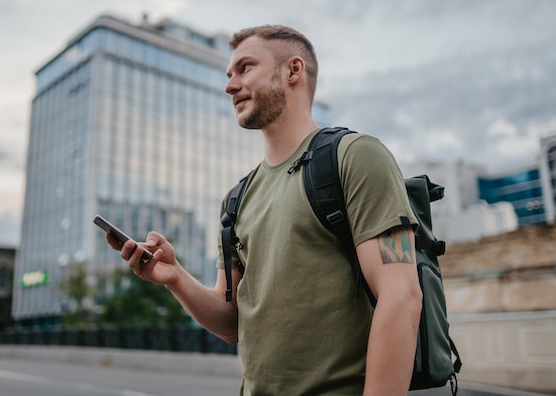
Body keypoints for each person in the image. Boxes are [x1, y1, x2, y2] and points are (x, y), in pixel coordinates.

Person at [107, 25, 423, 396]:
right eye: (229, 75)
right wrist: (175, 276)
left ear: (293, 70)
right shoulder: (237, 199)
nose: (229, 85)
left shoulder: (355, 157)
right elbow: (230, 325)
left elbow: (401, 297)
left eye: (245, 68)